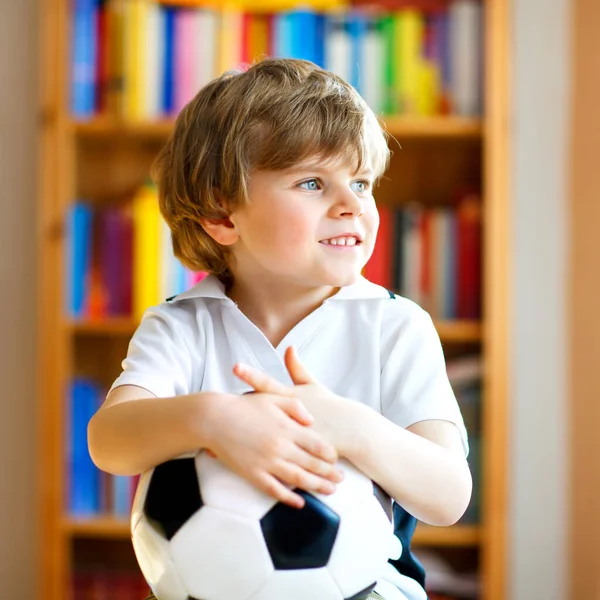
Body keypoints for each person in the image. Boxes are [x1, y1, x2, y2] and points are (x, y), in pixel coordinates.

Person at [88, 57, 472, 600]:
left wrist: (344, 424)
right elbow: (109, 441)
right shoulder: (183, 324)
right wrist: (212, 418)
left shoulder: (395, 325)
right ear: (222, 215)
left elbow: (449, 495)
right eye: (312, 183)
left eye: (361, 183)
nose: (350, 206)